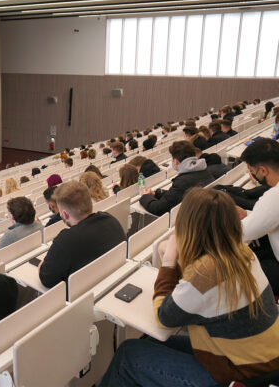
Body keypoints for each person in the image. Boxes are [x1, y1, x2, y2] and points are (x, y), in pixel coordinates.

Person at [100, 187, 279, 387]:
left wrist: (168, 262)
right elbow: (200, 291)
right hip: (263, 360)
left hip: (238, 373)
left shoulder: (205, 273)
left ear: (188, 225)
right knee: (150, 343)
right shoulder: (241, 251)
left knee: (128, 355)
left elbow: (164, 317)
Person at [38, 181, 126, 288]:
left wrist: (43, 263)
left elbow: (47, 279)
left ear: (64, 214)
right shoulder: (110, 219)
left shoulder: (65, 241)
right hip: (117, 282)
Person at [238, 138, 279, 295]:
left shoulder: (274, 196)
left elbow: (242, 233)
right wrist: (248, 214)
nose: (253, 176)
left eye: (252, 172)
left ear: (263, 170)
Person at [139, 141, 214, 216]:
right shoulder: (204, 170)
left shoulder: (182, 182)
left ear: (175, 161)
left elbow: (158, 208)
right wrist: (156, 193)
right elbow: (176, 196)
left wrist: (145, 196)